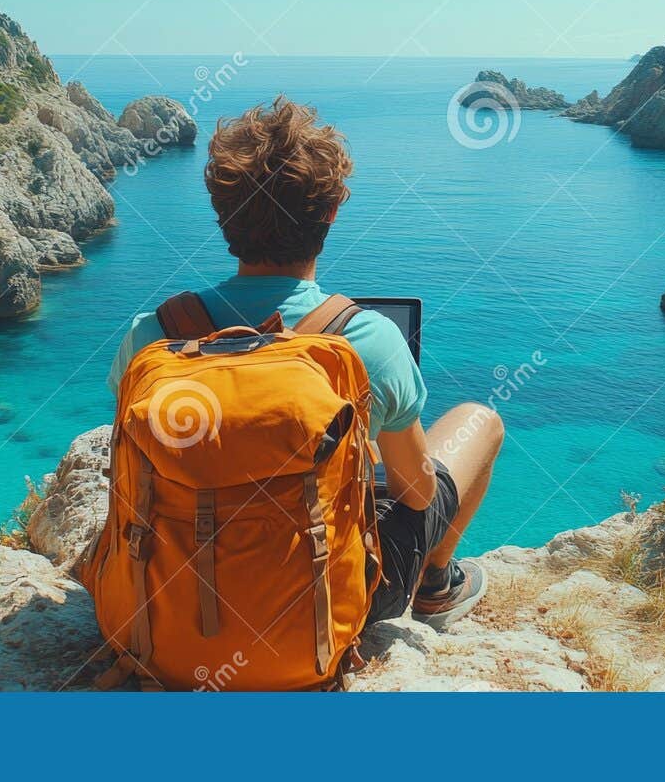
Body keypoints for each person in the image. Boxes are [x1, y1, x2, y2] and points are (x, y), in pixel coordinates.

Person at [107, 96, 503, 630]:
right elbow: (416, 492)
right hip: (321, 611)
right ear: (333, 212)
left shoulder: (150, 336)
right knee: (480, 419)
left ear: (223, 213)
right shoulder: (370, 340)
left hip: (173, 603)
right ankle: (436, 584)